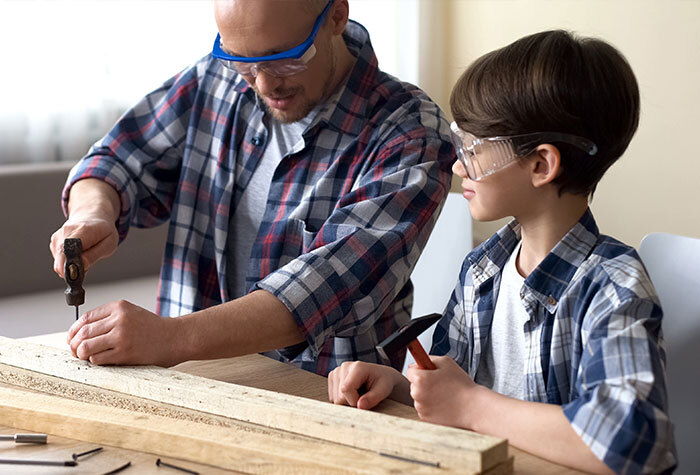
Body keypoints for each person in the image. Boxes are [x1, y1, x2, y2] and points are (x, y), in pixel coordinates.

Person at [328, 30, 677, 474]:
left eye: (473, 150)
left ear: (540, 165)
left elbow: (629, 443)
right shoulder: (483, 270)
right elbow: (453, 391)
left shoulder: (613, 286)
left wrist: (472, 405)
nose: (458, 165)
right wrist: (397, 386)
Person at [49, 0, 454, 375]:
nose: (263, 84)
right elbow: (117, 159)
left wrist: (168, 337)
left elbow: (322, 290)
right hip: (187, 390)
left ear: (335, 16)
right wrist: (93, 211)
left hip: (321, 411)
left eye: (284, 60)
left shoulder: (411, 133)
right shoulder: (215, 80)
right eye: (241, 63)